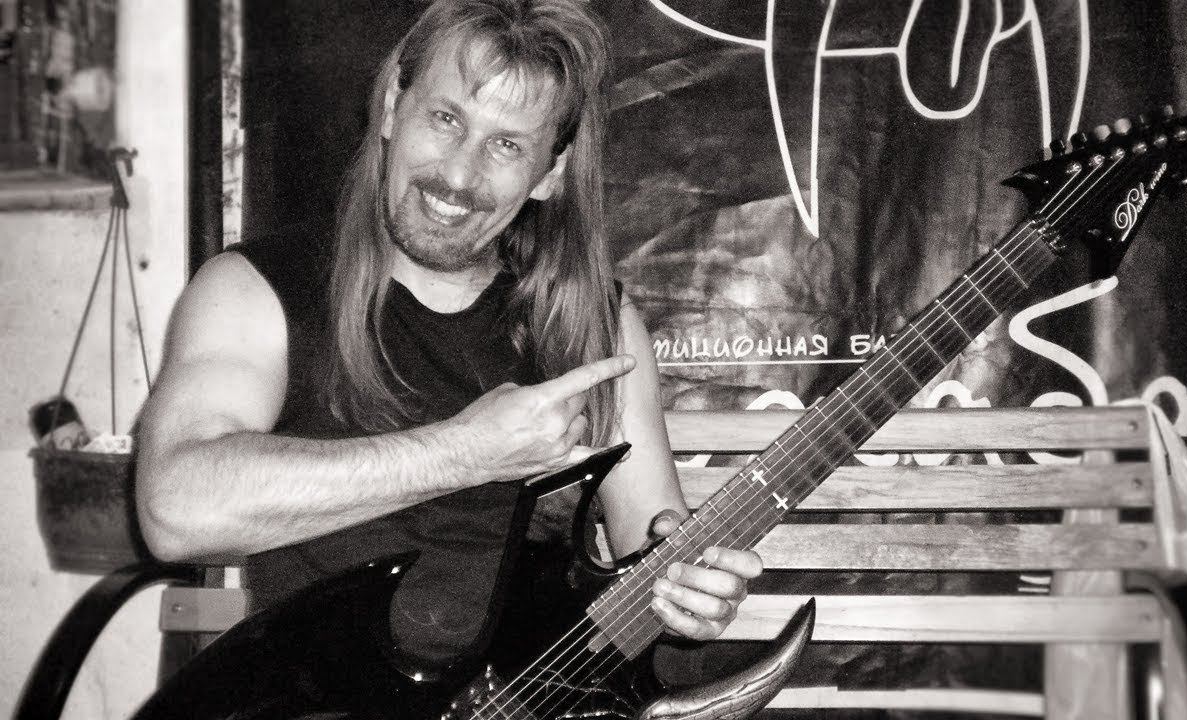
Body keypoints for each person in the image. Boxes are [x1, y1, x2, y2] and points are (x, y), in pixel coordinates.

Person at [135, 0, 761, 680]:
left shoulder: (593, 323)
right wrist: (464, 453)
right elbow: (174, 510)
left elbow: (654, 551)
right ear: (390, 109)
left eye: (507, 145)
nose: (460, 176)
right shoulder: (252, 290)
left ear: (550, 173)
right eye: (445, 119)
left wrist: (689, 597)